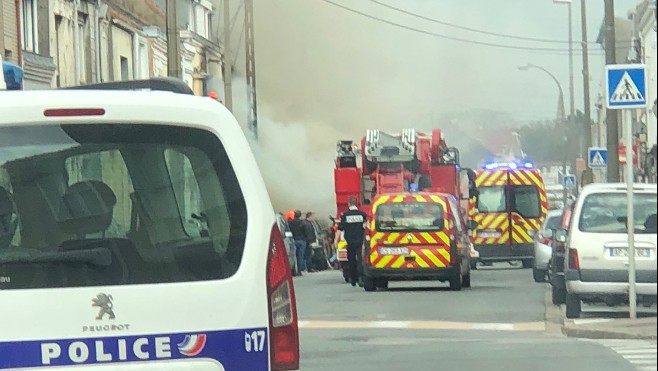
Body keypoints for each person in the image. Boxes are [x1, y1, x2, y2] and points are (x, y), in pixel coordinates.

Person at [338, 197, 368, 286]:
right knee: (360, 259)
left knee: (351, 260)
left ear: (349, 204)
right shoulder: (362, 215)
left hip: (350, 241)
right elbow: (366, 227)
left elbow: (340, 227)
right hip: (360, 241)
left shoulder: (345, 215)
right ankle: (361, 278)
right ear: (357, 203)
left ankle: (353, 279)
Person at [288, 210, 307, 275]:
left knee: (293, 256)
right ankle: (299, 270)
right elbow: (305, 231)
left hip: (293, 240)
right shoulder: (302, 223)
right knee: (300, 256)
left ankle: (294, 270)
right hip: (302, 240)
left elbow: (289, 230)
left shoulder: (290, 223)